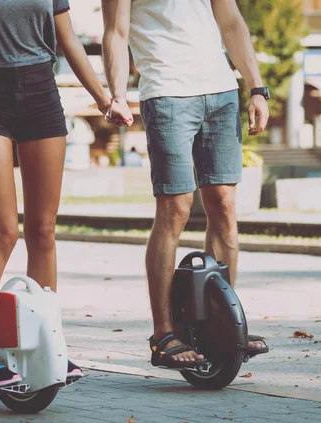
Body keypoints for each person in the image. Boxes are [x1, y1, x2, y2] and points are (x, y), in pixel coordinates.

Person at [0, 0, 132, 388]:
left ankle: (46, 344)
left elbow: (67, 38)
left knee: (43, 230)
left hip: (42, 91)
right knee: (3, 231)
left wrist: (103, 98)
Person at [102, 0, 270, 369]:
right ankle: (163, 333)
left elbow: (231, 21)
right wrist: (117, 93)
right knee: (175, 207)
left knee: (224, 205)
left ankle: (225, 321)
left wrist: (257, 88)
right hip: (166, 92)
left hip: (221, 92)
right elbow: (115, 31)